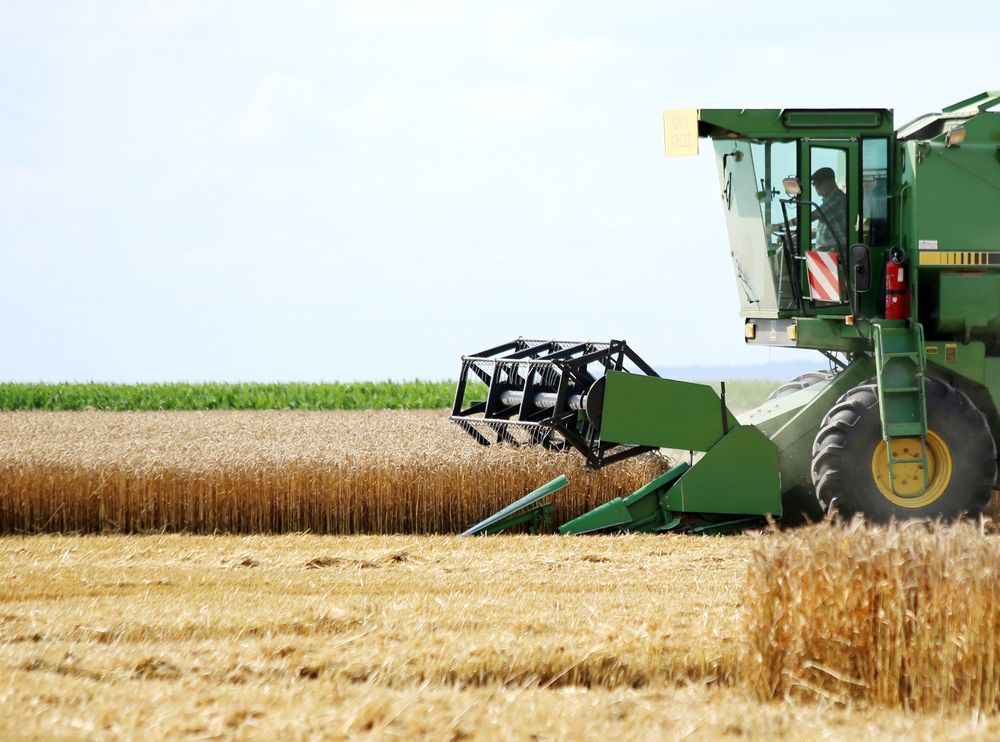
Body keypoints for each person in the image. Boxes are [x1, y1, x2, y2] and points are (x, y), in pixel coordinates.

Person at [810, 167, 847, 251]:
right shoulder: (829, 203)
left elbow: (813, 216)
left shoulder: (837, 199)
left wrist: (781, 226)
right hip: (828, 253)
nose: (816, 187)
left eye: (818, 183)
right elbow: (822, 231)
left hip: (836, 253)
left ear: (830, 181)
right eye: (813, 184)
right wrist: (792, 238)